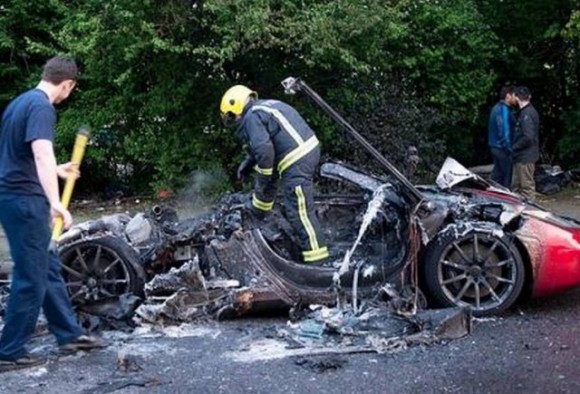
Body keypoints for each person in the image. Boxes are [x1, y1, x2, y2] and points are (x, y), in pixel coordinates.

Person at [0, 56, 106, 372]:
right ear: (67, 83)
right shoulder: (42, 107)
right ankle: (8, 350)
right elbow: (41, 152)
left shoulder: (19, 103)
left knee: (47, 269)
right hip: (24, 201)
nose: (68, 95)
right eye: (70, 90)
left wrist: (57, 170)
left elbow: (20, 156)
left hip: (14, 196)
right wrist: (56, 202)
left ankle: (69, 335)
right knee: (31, 277)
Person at [220, 85, 329, 265]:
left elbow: (264, 152)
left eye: (232, 115)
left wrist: (262, 175)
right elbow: (266, 146)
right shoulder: (263, 107)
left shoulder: (251, 117)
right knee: (291, 202)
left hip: (296, 159)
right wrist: (250, 164)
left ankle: (319, 265)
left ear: (237, 106)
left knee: (299, 211)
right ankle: (314, 258)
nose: (234, 120)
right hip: (302, 153)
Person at [511, 86, 540, 202]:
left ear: (516, 97)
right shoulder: (527, 112)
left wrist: (513, 147)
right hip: (522, 157)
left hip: (525, 157)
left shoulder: (527, 114)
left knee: (526, 188)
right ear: (530, 97)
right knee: (516, 188)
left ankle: (531, 214)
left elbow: (528, 137)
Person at [488, 86, 517, 188]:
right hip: (502, 148)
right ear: (508, 95)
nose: (516, 98)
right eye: (514, 95)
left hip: (494, 146)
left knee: (497, 176)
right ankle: (505, 200)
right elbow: (504, 131)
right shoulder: (503, 110)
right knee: (506, 177)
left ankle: (491, 196)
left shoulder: (496, 108)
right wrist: (510, 149)